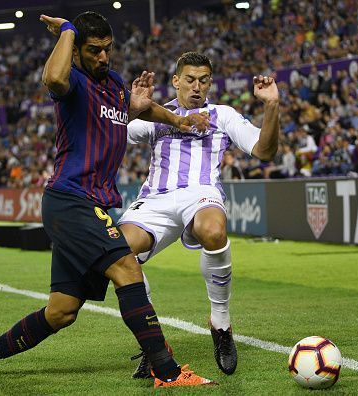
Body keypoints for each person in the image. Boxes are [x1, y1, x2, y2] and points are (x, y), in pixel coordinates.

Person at [0, 12, 215, 389]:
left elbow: (140, 108)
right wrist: (67, 31)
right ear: (78, 51)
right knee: (128, 269)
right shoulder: (73, 84)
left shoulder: (114, 84)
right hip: (72, 200)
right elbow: (52, 77)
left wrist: (178, 121)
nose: (102, 57)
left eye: (107, 50)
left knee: (61, 311)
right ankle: (166, 371)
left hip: (87, 205)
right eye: (93, 50)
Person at [117, 52, 279, 377]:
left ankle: (220, 324)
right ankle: (155, 344)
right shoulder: (157, 115)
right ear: (175, 81)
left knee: (214, 231)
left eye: (203, 80)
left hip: (201, 193)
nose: (197, 87)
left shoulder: (223, 115)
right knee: (115, 253)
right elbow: (112, 133)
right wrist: (132, 106)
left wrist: (272, 105)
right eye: (189, 79)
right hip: (156, 199)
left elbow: (264, 150)